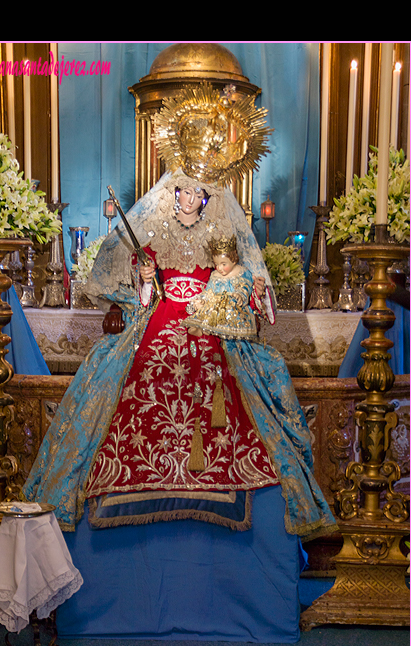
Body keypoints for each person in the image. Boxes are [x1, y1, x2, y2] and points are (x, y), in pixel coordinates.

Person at [23, 84, 337, 544]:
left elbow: (246, 273)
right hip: (161, 315)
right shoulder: (153, 214)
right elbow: (134, 280)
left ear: (207, 195)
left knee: (240, 382)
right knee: (131, 374)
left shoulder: (225, 216)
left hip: (213, 318)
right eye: (183, 191)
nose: (188, 198)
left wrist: (239, 294)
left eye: (196, 193)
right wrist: (145, 276)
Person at [181, 234, 260, 341]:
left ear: (233, 260)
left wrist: (240, 295)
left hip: (232, 306)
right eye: (216, 264)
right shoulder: (215, 275)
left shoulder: (242, 272)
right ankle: (203, 328)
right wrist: (202, 299)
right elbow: (209, 290)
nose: (219, 268)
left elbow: (245, 286)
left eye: (223, 264)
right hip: (214, 306)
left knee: (229, 310)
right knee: (207, 311)